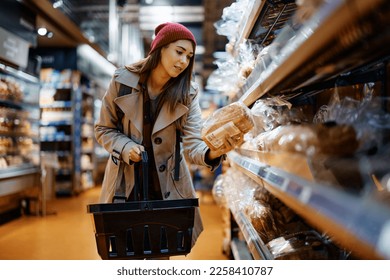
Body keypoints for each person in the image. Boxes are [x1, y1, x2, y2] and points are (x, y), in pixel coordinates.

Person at [94, 22, 235, 250]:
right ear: (160, 48)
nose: (183, 61)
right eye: (179, 52)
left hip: (168, 193)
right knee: (126, 254)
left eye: (189, 56)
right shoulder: (122, 83)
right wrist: (124, 145)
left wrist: (213, 152)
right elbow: (103, 129)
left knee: (162, 255)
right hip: (125, 189)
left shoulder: (187, 94)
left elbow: (192, 146)